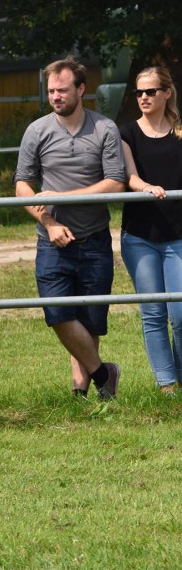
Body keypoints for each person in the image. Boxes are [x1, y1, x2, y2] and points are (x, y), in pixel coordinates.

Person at [14, 57, 126, 399]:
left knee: (90, 321)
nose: (55, 96)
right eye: (50, 91)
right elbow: (22, 185)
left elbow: (115, 184)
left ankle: (81, 391)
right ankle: (104, 374)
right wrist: (48, 222)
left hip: (94, 240)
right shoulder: (37, 131)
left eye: (62, 90)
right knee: (58, 314)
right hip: (52, 242)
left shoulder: (105, 128)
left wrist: (61, 194)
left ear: (81, 89)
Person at [118, 67, 182, 393]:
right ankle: (166, 387)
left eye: (151, 91)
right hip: (140, 236)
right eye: (139, 93)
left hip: (178, 236)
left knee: (181, 315)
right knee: (153, 314)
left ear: (167, 93)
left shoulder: (180, 132)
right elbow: (130, 176)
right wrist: (146, 186)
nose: (143, 97)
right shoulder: (127, 132)